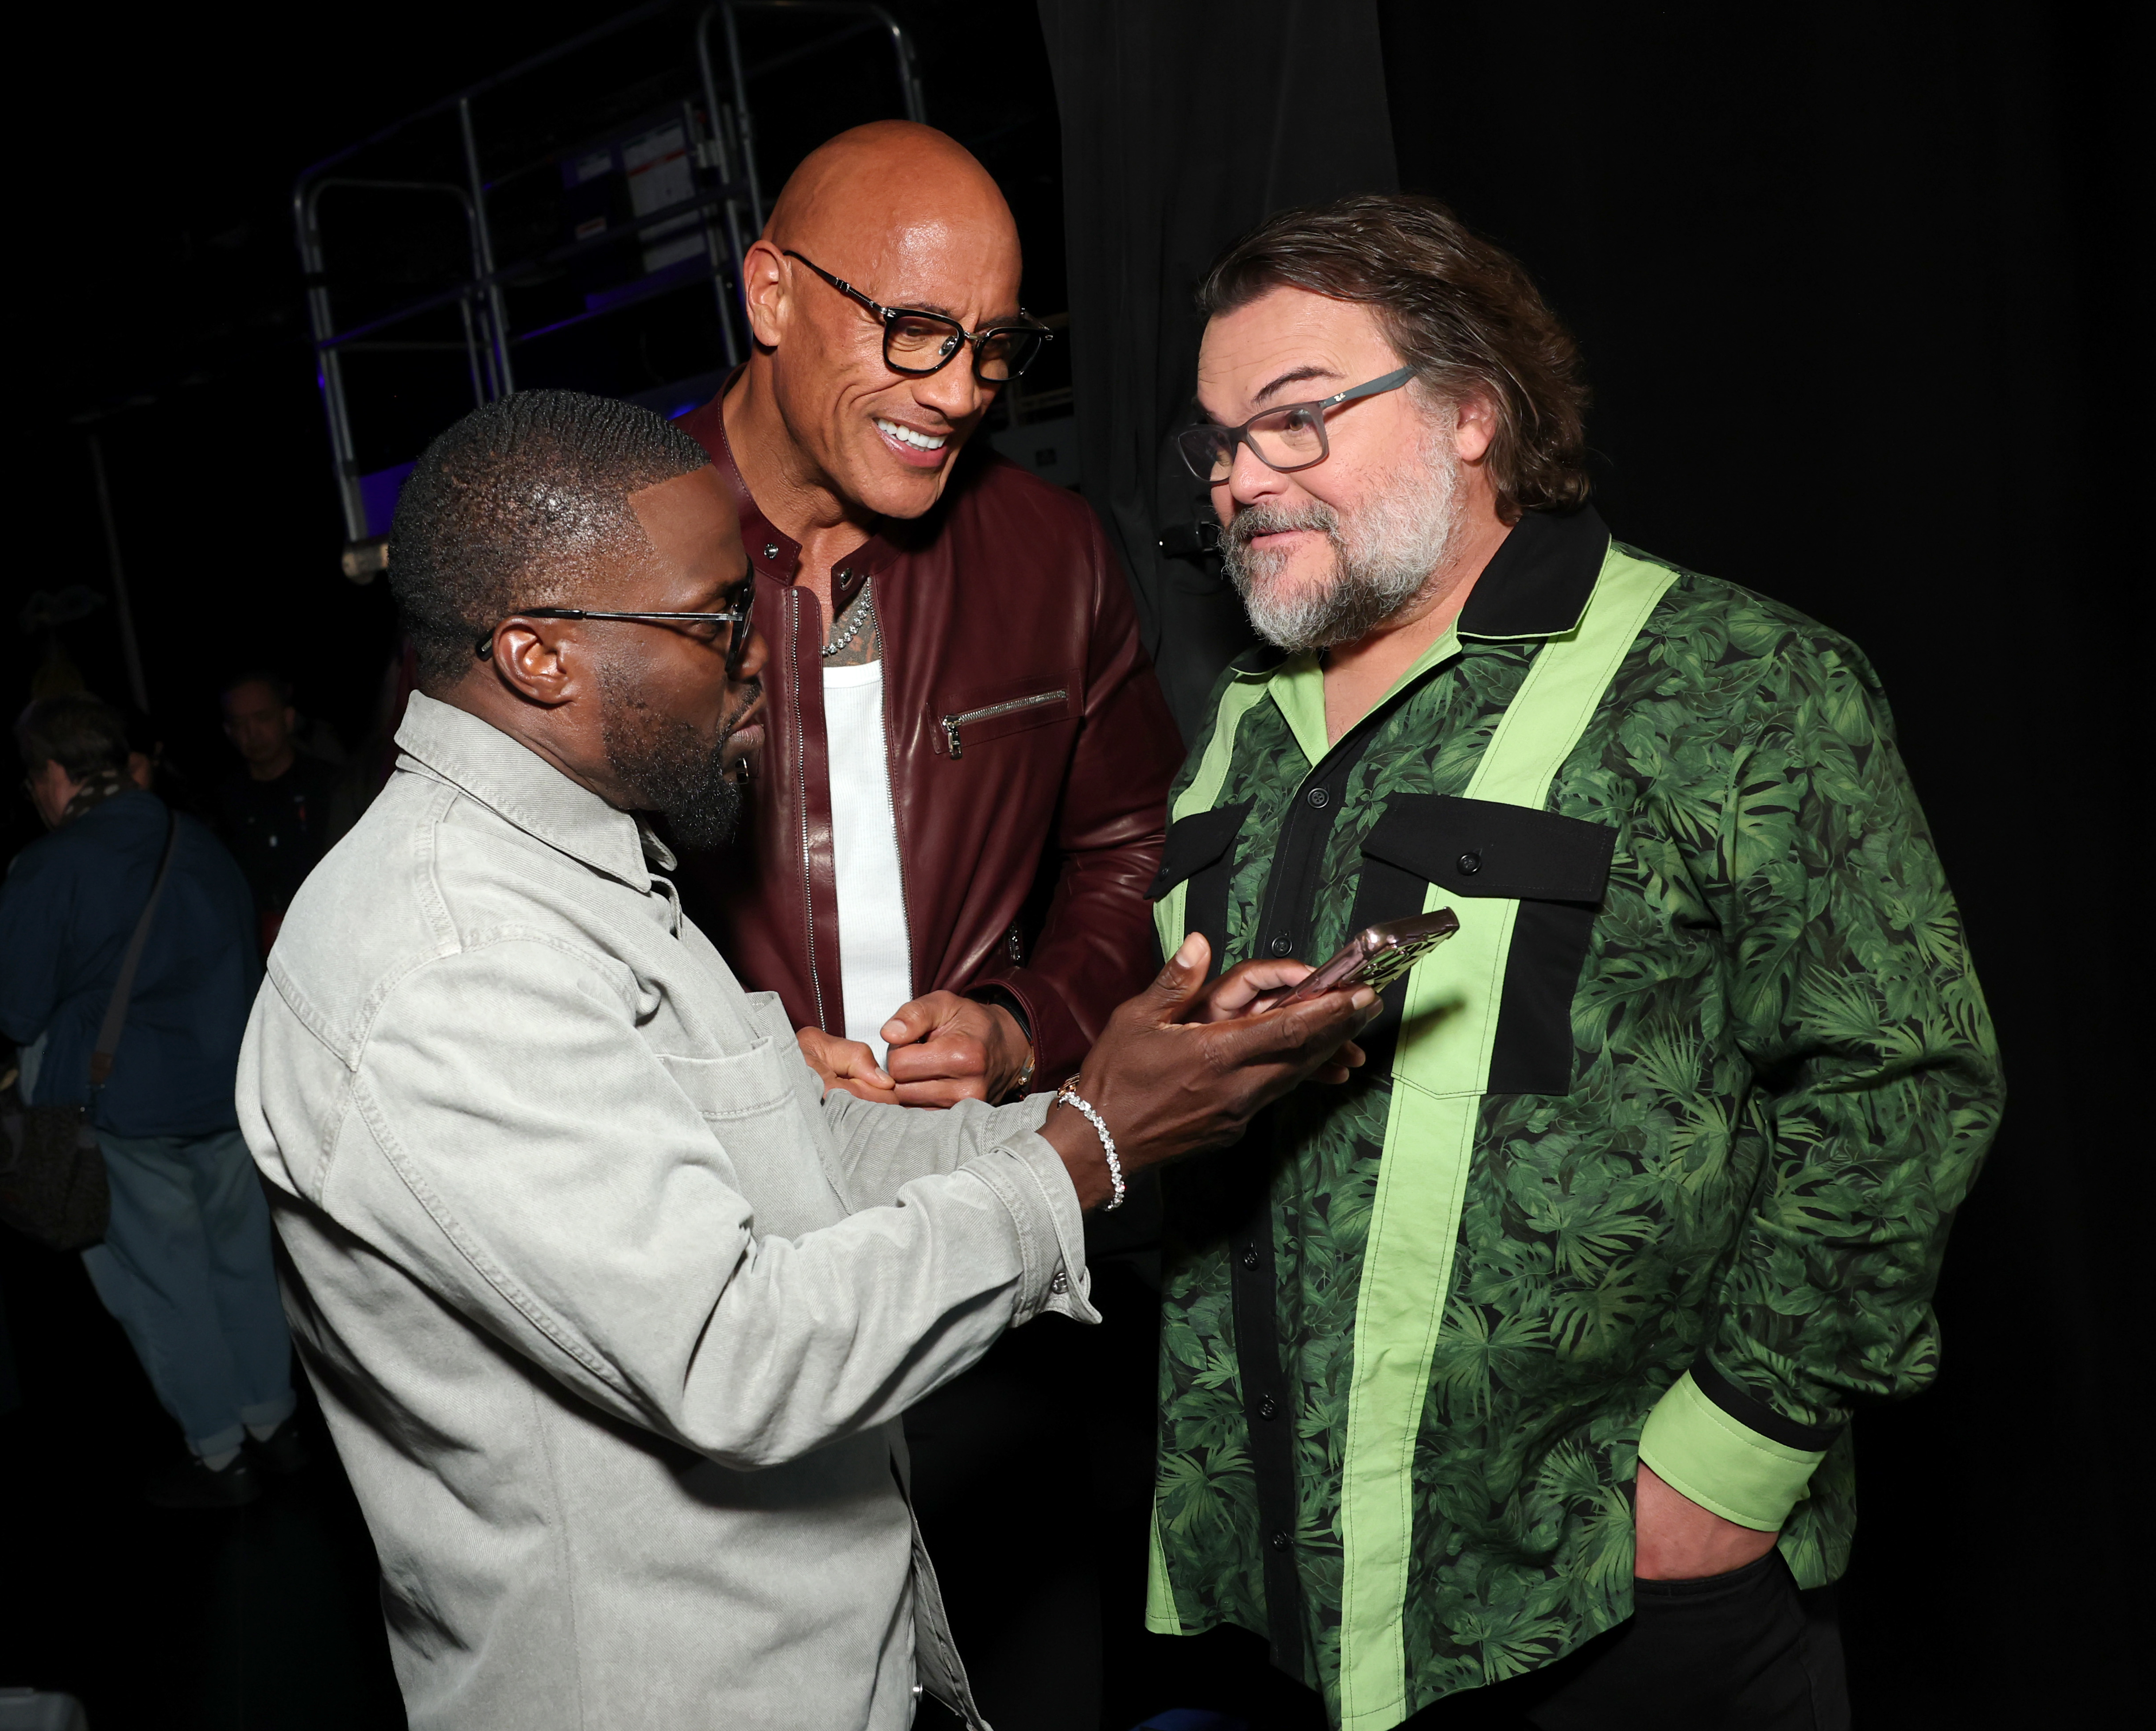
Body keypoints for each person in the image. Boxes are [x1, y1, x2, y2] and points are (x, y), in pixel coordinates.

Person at [236, 389, 1377, 1731]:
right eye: (717, 621)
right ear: (538, 656)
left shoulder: (579, 878)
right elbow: (736, 1351)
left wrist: (1132, 1103)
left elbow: (806, 1148)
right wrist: (1085, 1154)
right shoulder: (452, 964)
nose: (760, 661)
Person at [1140, 194, 2003, 1730]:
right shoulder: (1238, 728)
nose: (1238, 477)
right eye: (1217, 440)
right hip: (1281, 1612)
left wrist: (1722, 1470)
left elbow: (1904, 1088)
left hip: (1602, 1608)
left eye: (1296, 419)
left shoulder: (1737, 678)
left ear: (1474, 409)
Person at [667, 119, 1188, 1723]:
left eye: (994, 345)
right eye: (911, 333)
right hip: (707, 1281)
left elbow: (1129, 847)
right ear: (769, 293)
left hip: (983, 1272)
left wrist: (1027, 1018)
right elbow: (489, 930)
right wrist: (740, 1061)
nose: (960, 387)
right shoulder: (589, 559)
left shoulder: (1050, 553)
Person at [0, 694, 305, 1508]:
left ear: (54, 774)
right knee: (245, 1267)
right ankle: (276, 1420)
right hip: (229, 1096)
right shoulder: (197, 839)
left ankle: (219, 1453)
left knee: (166, 1287)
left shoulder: (54, 865)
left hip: (124, 1112)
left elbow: (11, 1004)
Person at [214, 670, 335, 952]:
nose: (252, 733)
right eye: (240, 724)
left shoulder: (330, 788)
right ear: (229, 731)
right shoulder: (220, 805)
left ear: (288, 718)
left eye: (263, 718)